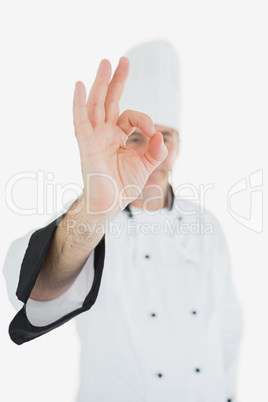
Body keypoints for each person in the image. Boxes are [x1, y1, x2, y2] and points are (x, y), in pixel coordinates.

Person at [4, 40, 243, 402]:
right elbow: (31, 286)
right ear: (119, 141)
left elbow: (227, 326)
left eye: (168, 138)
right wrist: (95, 210)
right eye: (138, 138)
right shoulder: (89, 217)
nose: (156, 152)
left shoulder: (207, 226)